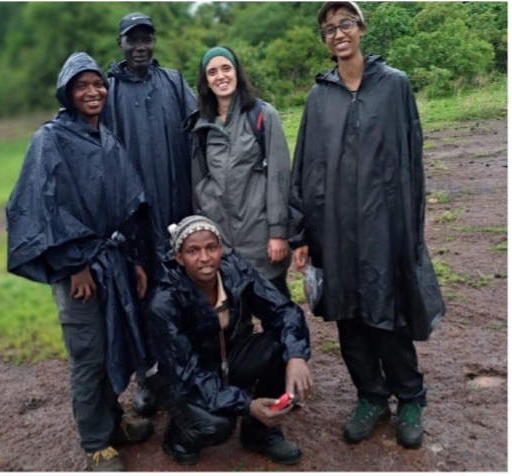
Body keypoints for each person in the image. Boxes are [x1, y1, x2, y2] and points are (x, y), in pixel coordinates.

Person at [288, 1, 445, 450]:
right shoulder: (320, 97)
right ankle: (370, 397)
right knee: (348, 317)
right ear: (324, 40)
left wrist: (411, 230)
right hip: (334, 228)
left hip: (385, 225)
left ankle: (410, 397)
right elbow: (306, 166)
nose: (337, 34)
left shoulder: (393, 86)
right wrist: (300, 232)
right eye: (328, 29)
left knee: (387, 311)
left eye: (345, 24)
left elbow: (411, 161)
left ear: (361, 29)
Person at [6, 52, 155, 471]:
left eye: (98, 84)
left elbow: (127, 207)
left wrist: (136, 260)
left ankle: (113, 422)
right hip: (77, 272)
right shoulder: (50, 140)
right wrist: (73, 264)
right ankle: (94, 442)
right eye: (82, 85)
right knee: (88, 354)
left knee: (112, 342)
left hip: (113, 263)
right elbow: (36, 208)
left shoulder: (106, 139)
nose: (93, 92)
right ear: (67, 92)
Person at [144, 215, 313, 466]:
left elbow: (283, 311)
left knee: (280, 346)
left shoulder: (236, 271)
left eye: (211, 248)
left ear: (220, 249)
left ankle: (259, 432)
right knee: (217, 426)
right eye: (193, 251)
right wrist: (246, 404)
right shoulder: (165, 301)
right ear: (179, 258)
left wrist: (297, 355)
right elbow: (188, 373)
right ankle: (178, 437)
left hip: (223, 358)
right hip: (180, 377)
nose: (204, 258)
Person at [102, 12, 197, 416]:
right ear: (121, 44)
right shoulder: (108, 91)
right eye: (132, 40)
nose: (140, 46)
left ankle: (192, 370)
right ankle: (148, 377)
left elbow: (201, 126)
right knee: (139, 295)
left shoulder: (174, 82)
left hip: (178, 205)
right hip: (135, 216)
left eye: (147, 39)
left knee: (184, 288)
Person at [184, 46, 293, 299]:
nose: (220, 76)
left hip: (260, 237)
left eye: (226, 68)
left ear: (237, 73)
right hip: (222, 245)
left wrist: (278, 233)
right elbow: (199, 185)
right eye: (212, 72)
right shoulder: (202, 126)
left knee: (278, 315)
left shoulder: (263, 115)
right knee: (236, 323)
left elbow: (279, 178)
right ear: (206, 81)